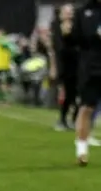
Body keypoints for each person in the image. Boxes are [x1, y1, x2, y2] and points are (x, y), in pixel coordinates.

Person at [62, 0, 101, 165]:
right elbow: (75, 40)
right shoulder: (83, 12)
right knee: (87, 107)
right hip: (91, 67)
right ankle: (81, 151)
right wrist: (67, 33)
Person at [52, 4, 80, 130]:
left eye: (71, 12)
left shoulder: (77, 27)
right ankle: (63, 119)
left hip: (78, 65)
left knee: (81, 95)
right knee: (68, 95)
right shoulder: (56, 27)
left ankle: (75, 119)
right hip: (64, 66)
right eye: (66, 12)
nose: (69, 15)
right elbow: (57, 49)